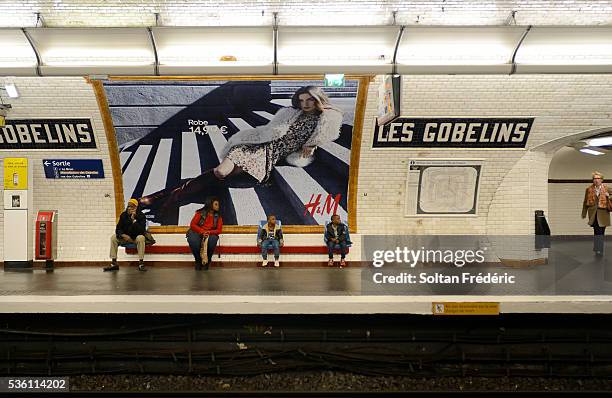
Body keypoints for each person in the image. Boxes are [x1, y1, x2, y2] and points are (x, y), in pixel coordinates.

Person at [139, 86, 343, 223]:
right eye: (302, 100)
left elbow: (329, 130)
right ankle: (170, 200)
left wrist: (313, 143)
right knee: (220, 172)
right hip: (254, 145)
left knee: (218, 177)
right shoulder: (291, 112)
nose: (305, 104)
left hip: (268, 155)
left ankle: (161, 197)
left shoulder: (325, 118)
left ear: (318, 99)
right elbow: (271, 130)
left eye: (310, 100)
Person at [105, 198, 147, 272]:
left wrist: (134, 220)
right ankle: (114, 263)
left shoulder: (141, 216)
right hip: (125, 238)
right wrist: (123, 235)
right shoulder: (123, 215)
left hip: (135, 238)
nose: (129, 208)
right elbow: (118, 228)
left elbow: (141, 230)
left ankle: (141, 263)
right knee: (114, 237)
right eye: (128, 206)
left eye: (132, 206)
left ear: (136, 207)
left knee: (141, 238)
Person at [186, 197, 223, 270]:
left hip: (210, 233)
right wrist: (202, 232)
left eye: (218, 204)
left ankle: (207, 261)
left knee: (213, 240)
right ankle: (198, 260)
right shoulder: (200, 213)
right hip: (198, 232)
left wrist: (209, 232)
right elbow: (193, 225)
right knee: (193, 240)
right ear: (210, 204)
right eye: (216, 204)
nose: (218, 206)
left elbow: (219, 230)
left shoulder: (218, 217)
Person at [582, 171, 612, 257]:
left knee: (601, 232)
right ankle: (599, 250)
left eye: (598, 178)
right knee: (597, 231)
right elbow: (585, 201)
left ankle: (597, 249)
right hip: (593, 214)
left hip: (603, 214)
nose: (596, 180)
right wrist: (584, 213)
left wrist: (608, 196)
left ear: (602, 180)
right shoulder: (589, 189)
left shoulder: (607, 188)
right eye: (594, 178)